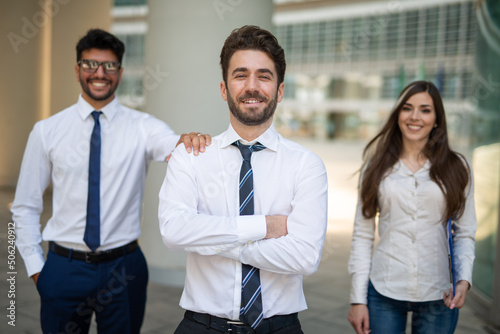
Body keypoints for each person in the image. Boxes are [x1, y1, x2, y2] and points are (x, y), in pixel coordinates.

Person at [11, 28, 210, 334]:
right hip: (63, 267)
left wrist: (188, 142)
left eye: (109, 65)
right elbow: (25, 205)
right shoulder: (47, 131)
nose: (100, 73)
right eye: (90, 64)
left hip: (123, 268)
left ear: (120, 71)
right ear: (78, 69)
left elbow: (174, 146)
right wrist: (37, 268)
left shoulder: (144, 127)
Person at [158, 25, 328, 334]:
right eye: (240, 75)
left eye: (264, 76)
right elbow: (173, 232)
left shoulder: (306, 165)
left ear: (279, 90)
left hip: (279, 328)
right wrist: (265, 226)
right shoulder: (191, 156)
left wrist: (211, 240)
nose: (252, 87)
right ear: (224, 89)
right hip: (201, 326)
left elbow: (304, 258)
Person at [347, 80, 477, 334]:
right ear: (398, 115)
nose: (415, 116)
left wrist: (463, 280)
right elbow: (362, 235)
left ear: (437, 119)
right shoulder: (377, 167)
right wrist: (357, 299)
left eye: (425, 110)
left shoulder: (457, 167)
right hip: (384, 289)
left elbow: (465, 232)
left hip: (439, 292)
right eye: (407, 108)